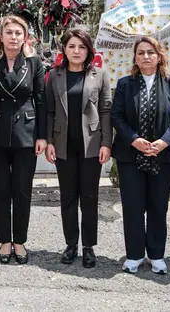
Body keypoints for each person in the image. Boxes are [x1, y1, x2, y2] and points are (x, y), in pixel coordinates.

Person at [110, 36, 170, 274]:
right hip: (130, 155)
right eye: (141, 52)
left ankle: (156, 255)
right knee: (133, 206)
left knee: (157, 206)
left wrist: (164, 142)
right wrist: (134, 140)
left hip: (162, 156)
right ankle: (133, 255)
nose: (145, 56)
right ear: (134, 57)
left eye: (150, 52)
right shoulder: (125, 84)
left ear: (159, 56)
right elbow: (116, 116)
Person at [0, 15, 47, 264]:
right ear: (1, 36)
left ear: (25, 37)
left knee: (22, 191)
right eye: (9, 33)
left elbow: (41, 100)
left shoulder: (34, 63)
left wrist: (42, 135)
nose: (14, 37)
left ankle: (19, 241)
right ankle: (4, 242)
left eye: (19, 33)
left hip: (26, 135)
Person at [44, 27, 112, 268]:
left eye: (81, 47)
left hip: (91, 147)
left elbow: (105, 111)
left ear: (88, 50)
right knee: (68, 197)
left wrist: (106, 143)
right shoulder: (55, 75)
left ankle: (88, 246)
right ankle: (71, 244)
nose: (76, 51)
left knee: (90, 197)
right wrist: (49, 141)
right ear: (64, 49)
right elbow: (49, 110)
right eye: (71, 46)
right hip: (63, 146)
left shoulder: (100, 75)